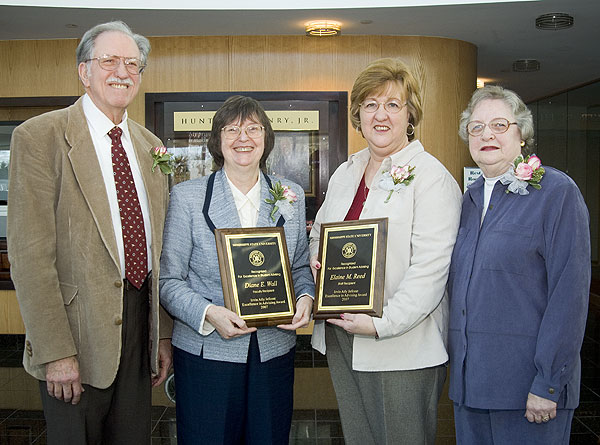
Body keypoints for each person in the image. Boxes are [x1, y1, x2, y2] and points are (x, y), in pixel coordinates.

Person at [7, 21, 173, 444]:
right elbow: (29, 255)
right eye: (109, 61)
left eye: (133, 64)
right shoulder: (41, 137)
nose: (122, 71)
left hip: (140, 332)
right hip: (74, 336)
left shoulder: (150, 146)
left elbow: (160, 250)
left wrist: (163, 335)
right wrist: (55, 352)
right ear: (84, 71)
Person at [309, 57, 462, 444]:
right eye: (371, 104)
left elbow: (431, 271)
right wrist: (317, 258)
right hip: (342, 335)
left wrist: (381, 324)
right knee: (360, 437)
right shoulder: (346, 172)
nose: (381, 115)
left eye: (393, 104)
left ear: (410, 115)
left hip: (400, 346)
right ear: (358, 113)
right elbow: (320, 234)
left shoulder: (431, 178)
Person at [159, 95, 314, 444]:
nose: (243, 138)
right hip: (207, 352)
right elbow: (168, 280)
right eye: (232, 129)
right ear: (217, 140)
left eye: (253, 129)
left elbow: (300, 265)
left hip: (273, 350)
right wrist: (209, 313)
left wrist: (305, 297)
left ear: (266, 138)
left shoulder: (289, 194)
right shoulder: (188, 197)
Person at [448, 85, 590, 444]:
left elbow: (569, 295)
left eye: (499, 124)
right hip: (470, 391)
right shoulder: (467, 201)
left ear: (521, 134)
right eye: (476, 127)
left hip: (529, 392)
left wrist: (548, 382)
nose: (487, 135)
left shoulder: (556, 192)